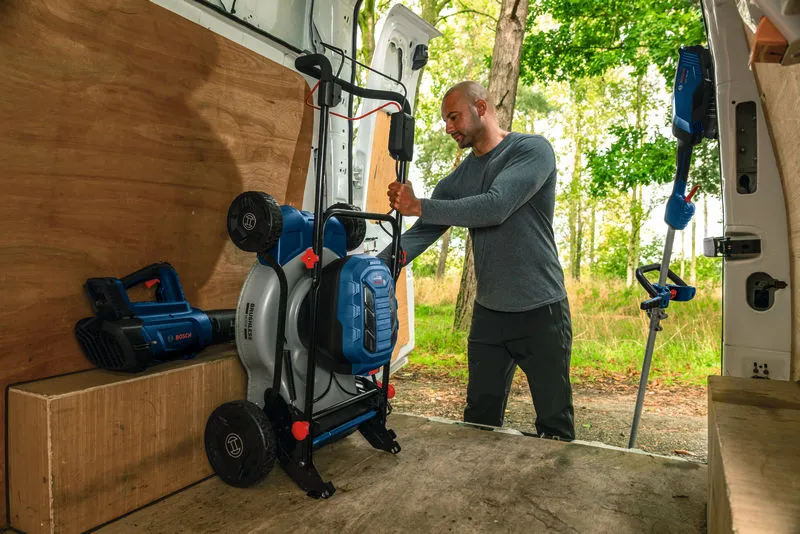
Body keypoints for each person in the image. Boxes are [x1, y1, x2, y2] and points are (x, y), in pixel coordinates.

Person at [380, 81, 574, 440]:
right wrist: (376, 267)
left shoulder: (531, 150)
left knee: (555, 423)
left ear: (481, 108)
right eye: (445, 120)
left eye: (453, 117)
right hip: (490, 318)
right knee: (479, 422)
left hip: (542, 311)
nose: (448, 127)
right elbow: (423, 232)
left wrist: (419, 203)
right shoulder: (459, 179)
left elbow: (496, 206)